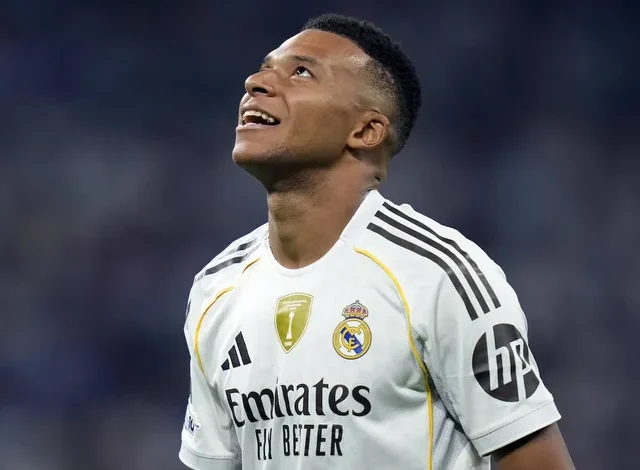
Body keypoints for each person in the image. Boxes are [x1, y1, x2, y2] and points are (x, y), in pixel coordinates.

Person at [179, 13, 575, 470]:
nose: (256, 82)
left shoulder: (440, 275)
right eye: (265, 68)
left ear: (366, 131)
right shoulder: (216, 288)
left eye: (301, 72)